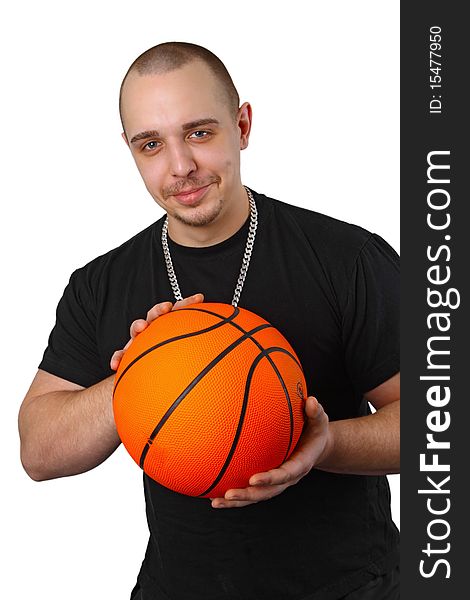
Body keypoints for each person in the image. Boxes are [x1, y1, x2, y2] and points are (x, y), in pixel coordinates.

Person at [18, 42, 400, 599]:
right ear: (130, 150)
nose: (180, 166)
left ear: (242, 125)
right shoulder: (99, 283)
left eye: (199, 132)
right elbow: (39, 452)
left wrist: (324, 447)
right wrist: (142, 371)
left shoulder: (347, 259)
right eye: (152, 144)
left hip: (348, 588)